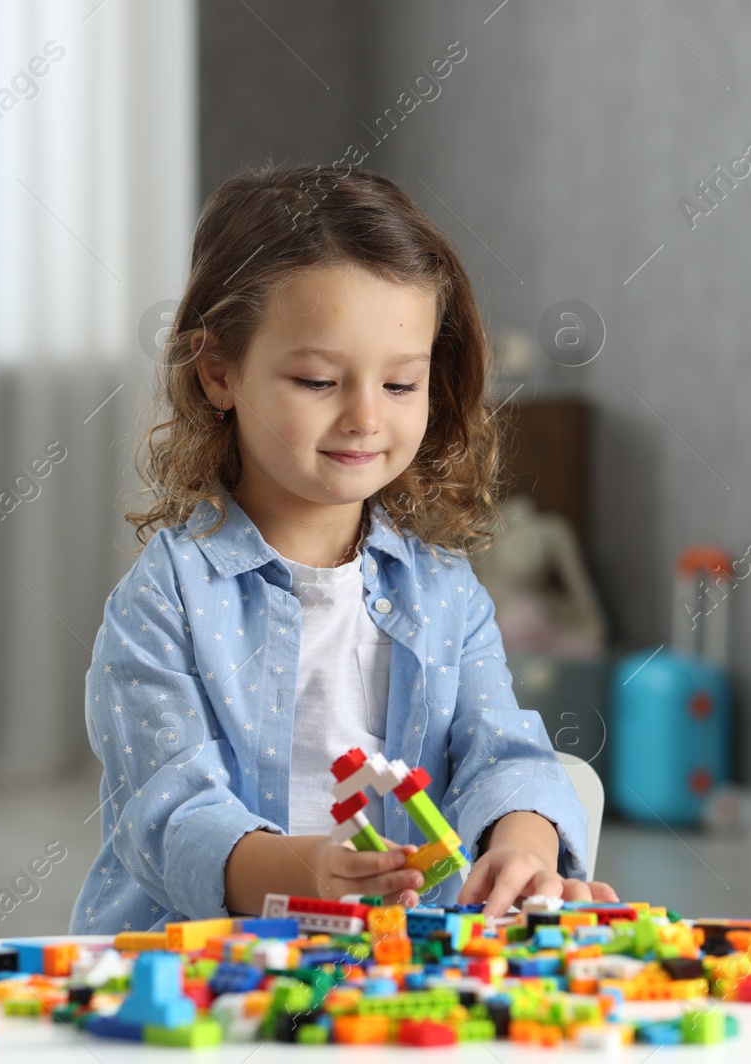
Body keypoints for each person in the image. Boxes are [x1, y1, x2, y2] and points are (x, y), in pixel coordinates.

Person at [69, 164, 617, 936]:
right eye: (319, 379)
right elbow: (166, 814)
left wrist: (522, 846)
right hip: (202, 966)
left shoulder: (446, 593)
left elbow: (505, 751)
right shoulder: (168, 598)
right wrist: (305, 875)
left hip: (392, 976)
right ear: (220, 370)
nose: (365, 417)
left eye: (399, 386)